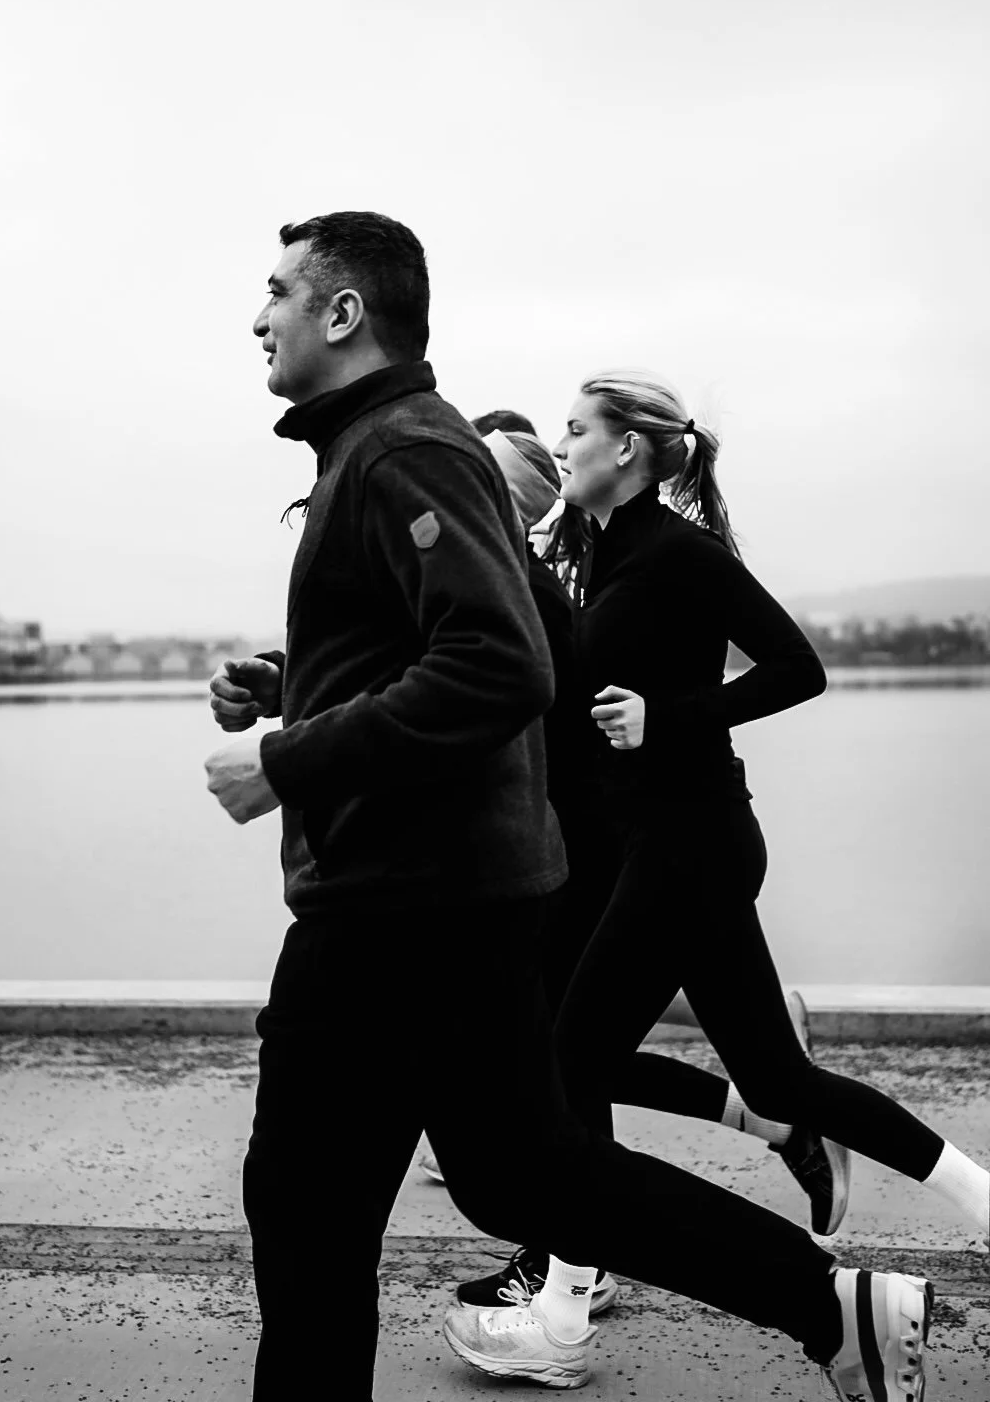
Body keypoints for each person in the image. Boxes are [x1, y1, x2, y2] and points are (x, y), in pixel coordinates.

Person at [204, 212, 934, 1402]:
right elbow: (534, 645)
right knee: (519, 1177)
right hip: (443, 898)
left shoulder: (404, 451)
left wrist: (289, 759)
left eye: (278, 291)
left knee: (307, 1212)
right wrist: (293, 687)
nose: (258, 315)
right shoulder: (389, 451)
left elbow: (500, 666)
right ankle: (828, 1301)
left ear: (343, 313)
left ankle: (826, 1299)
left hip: (401, 904)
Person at [450, 367, 988, 1386]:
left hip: (691, 844)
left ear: (629, 450)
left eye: (574, 431)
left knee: (566, 1076)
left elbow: (796, 665)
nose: (562, 446)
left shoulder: (678, 552)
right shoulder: (606, 554)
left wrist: (673, 716)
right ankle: (982, 1195)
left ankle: (565, 1311)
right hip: (673, 847)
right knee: (778, 1076)